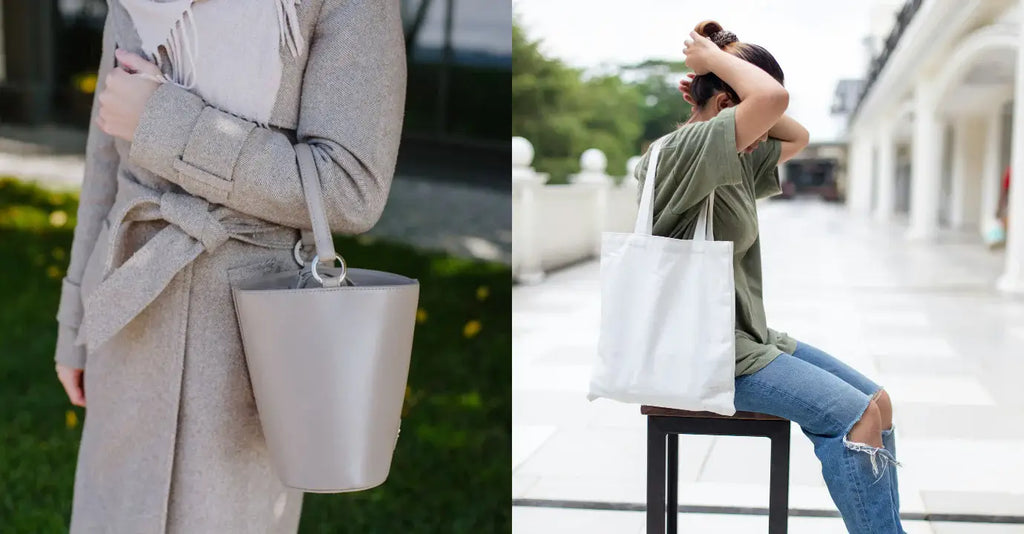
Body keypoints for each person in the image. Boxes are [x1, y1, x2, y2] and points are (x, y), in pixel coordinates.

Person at [51, 1, 406, 532]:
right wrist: (75, 321)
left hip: (252, 338)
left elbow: (351, 188)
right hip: (127, 310)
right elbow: (106, 166)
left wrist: (162, 122)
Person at [634, 21, 904, 533]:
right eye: (750, 113)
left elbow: (793, 132)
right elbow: (773, 99)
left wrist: (720, 73)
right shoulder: (680, 154)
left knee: (878, 404)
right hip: (704, 352)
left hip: (745, 338)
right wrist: (715, 62)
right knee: (854, 417)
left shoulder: (731, 154)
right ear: (725, 107)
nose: (765, 129)